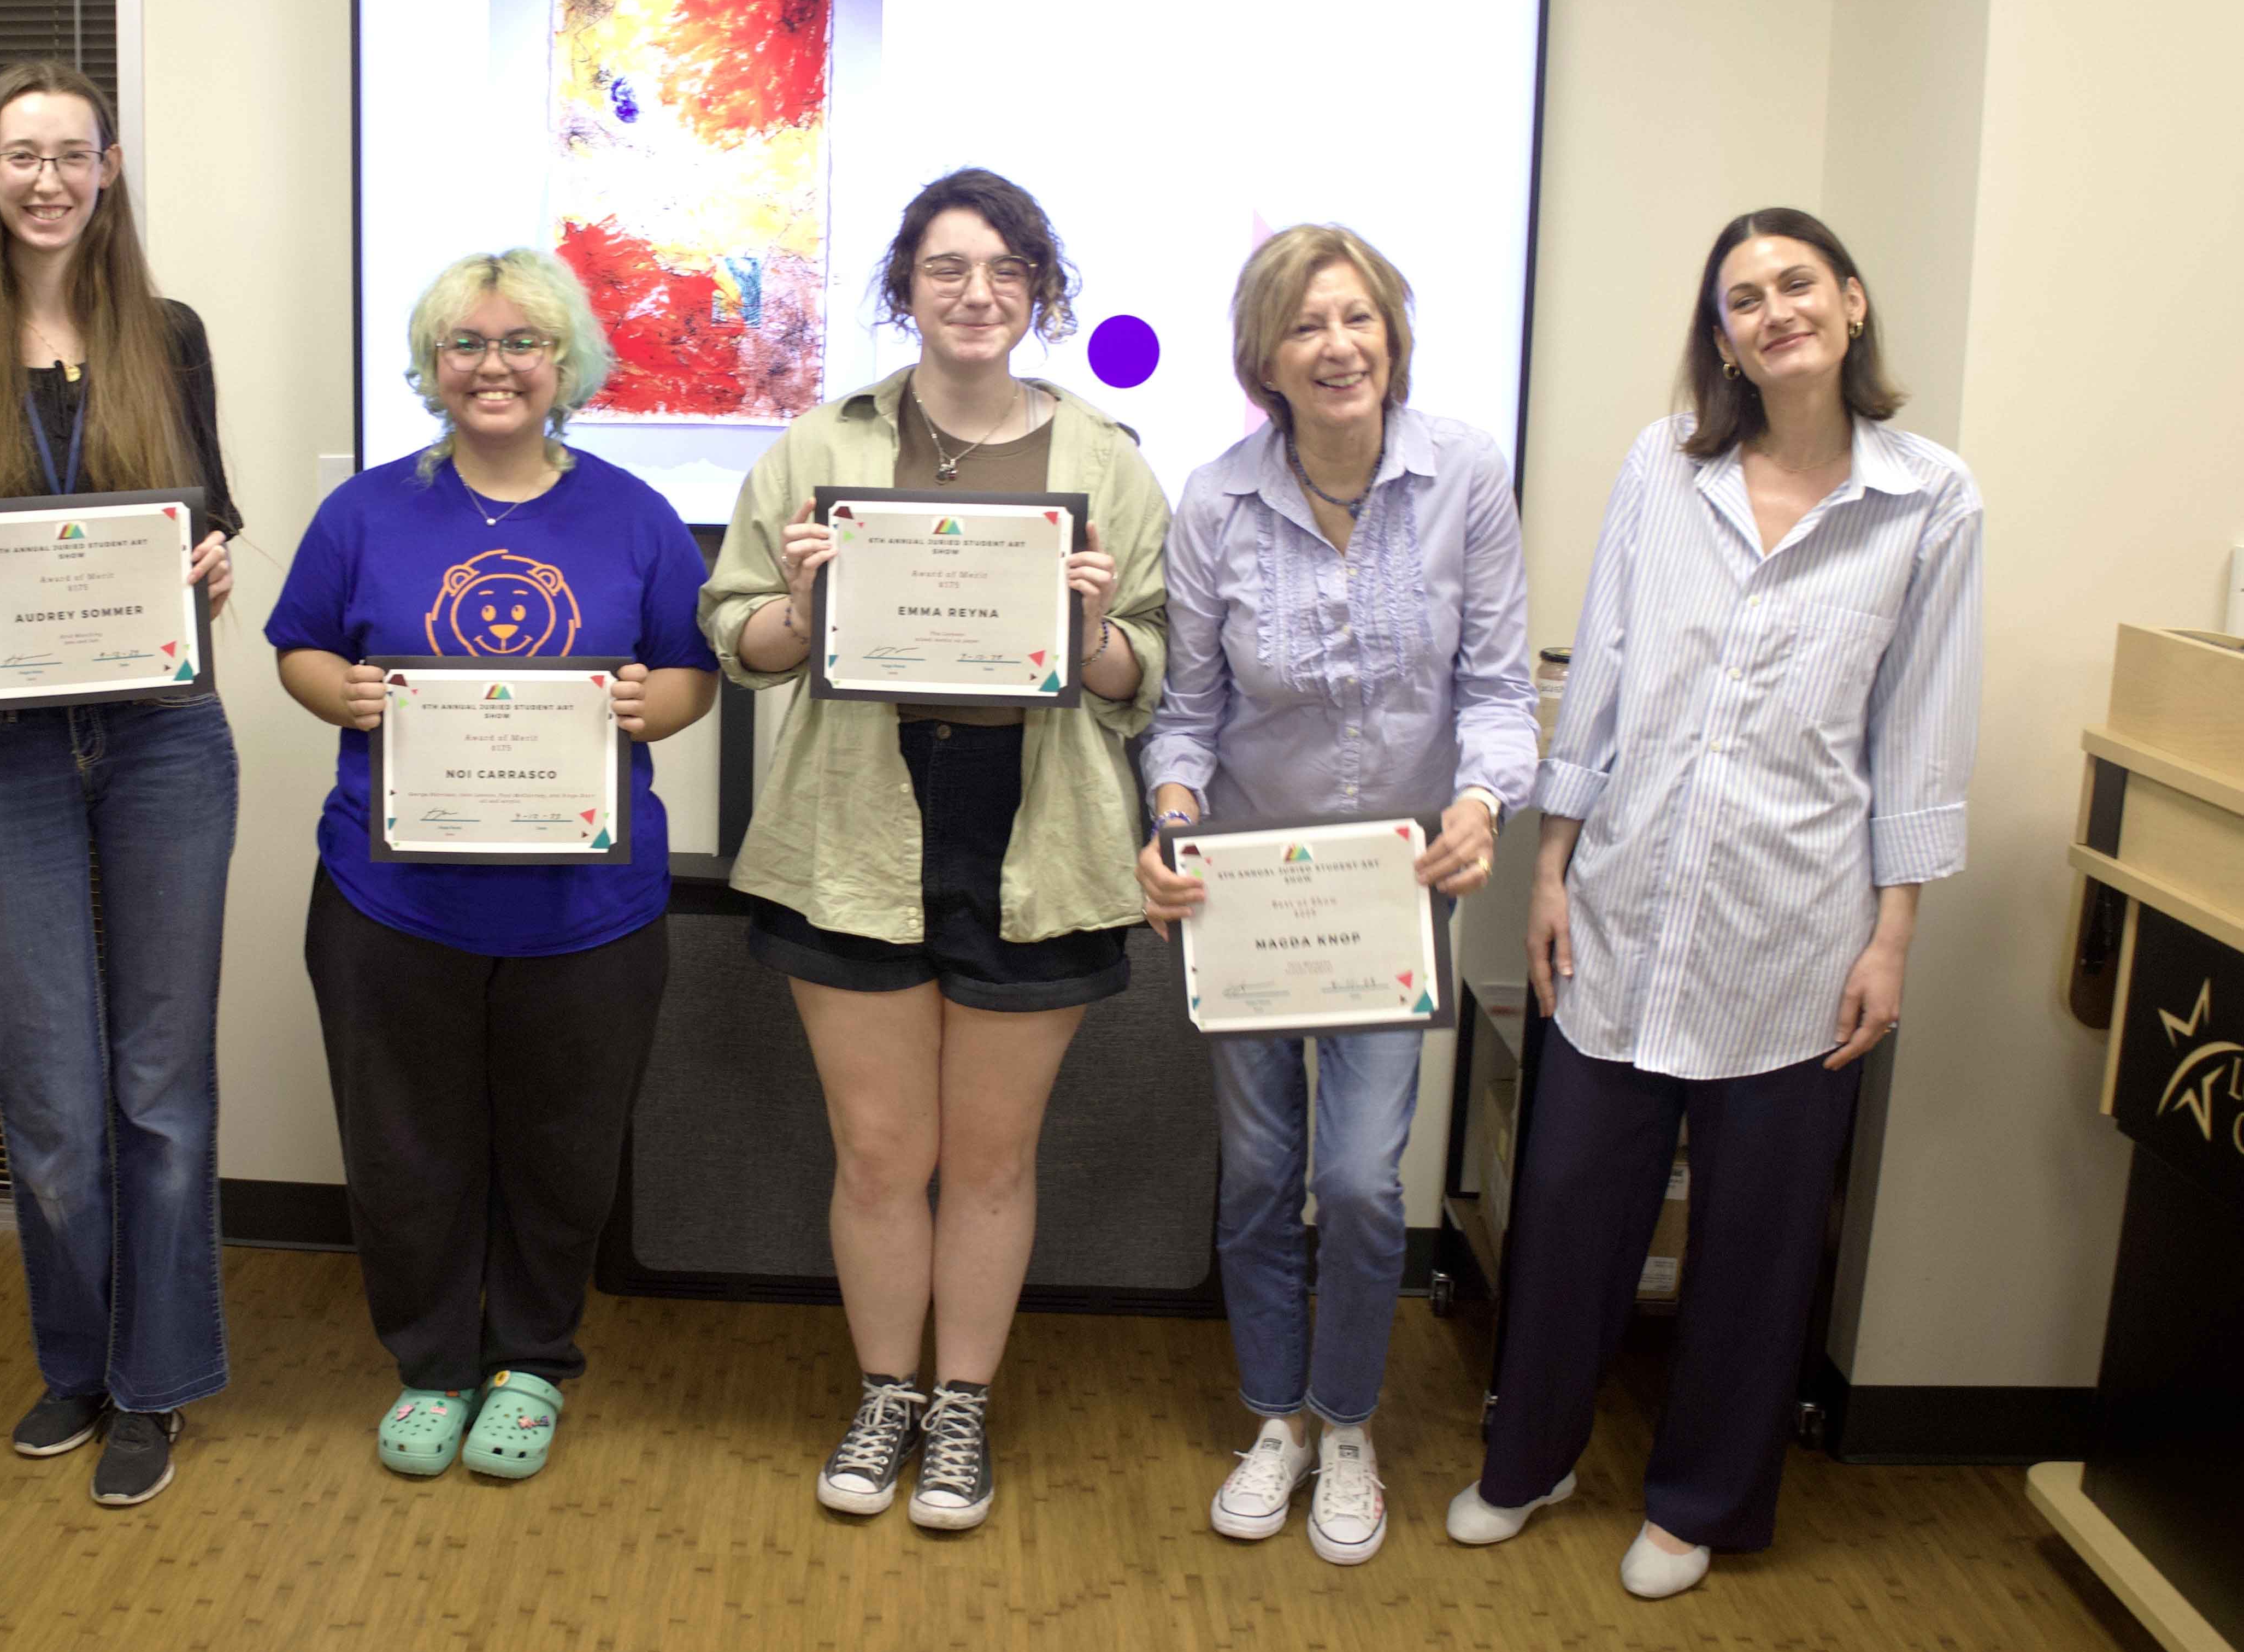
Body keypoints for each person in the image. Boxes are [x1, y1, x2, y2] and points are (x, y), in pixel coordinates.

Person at [1448, 208, 1981, 1598]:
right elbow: (1607, 660)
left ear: (1853, 305)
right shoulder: (1663, 465)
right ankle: (1532, 1457)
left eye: (1797, 284)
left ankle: (1698, 1503)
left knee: (1753, 1238)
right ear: (1722, 334)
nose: (1773, 311)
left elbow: (1922, 724)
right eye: (1742, 297)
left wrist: (1894, 935)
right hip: (1629, 897)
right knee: (1568, 1206)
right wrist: (1552, 864)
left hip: (1799, 923)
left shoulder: (1931, 501)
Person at [701, 168, 1170, 1531]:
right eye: (949, 267)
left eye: (1007, 268)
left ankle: (962, 1407)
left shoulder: (1109, 460)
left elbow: (1151, 672)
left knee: (994, 1160)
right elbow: (740, 641)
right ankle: (886, 1390)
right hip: (857, 817)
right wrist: (798, 603)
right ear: (904, 288)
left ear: (1041, 292)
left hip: (1033, 825)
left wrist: (1089, 634)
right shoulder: (816, 445)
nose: (978, 292)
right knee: (879, 1150)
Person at [266, 247, 717, 1483]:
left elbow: (691, 669)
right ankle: (431, 1366)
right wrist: (345, 693)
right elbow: (297, 646)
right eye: (465, 343)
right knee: (405, 1143)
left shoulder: (632, 511)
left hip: (588, 908)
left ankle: (529, 1362)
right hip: (391, 899)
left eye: (522, 341)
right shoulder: (363, 512)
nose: (494, 365)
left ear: (564, 361)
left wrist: (645, 707)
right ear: (432, 366)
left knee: (563, 1144)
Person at [0, 61, 243, 1511]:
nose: (43, 180)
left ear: (108, 169)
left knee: (160, 1085)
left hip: (160, 741)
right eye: (19, 156)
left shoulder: (170, 340)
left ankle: (155, 1383)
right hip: (1, 751)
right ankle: (72, 1363)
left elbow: (205, 531)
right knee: (49, 1097)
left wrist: (207, 566)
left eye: (68, 155)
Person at [1132, 225, 1534, 1564]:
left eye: (1358, 317)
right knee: (1259, 1174)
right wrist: (1173, 821)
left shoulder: (1465, 472)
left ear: (1394, 333)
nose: (1338, 345)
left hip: (1396, 886)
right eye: (1307, 325)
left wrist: (1480, 805)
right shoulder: (1216, 500)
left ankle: (1347, 1418)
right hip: (1246, 896)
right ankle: (1276, 1419)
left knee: (1360, 1182)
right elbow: (1185, 716)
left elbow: (1496, 687)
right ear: (1266, 357)